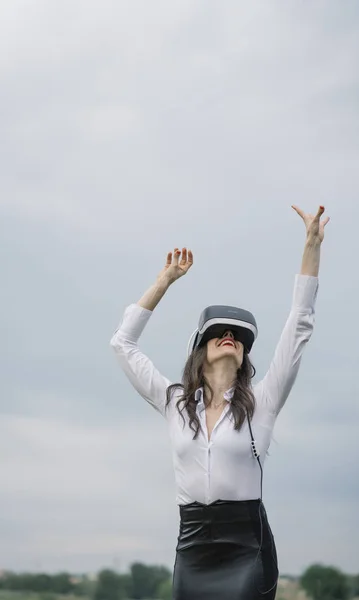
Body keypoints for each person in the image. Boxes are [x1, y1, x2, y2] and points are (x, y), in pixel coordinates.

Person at [110, 205, 329, 600]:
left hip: (247, 546)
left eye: (237, 337)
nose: (229, 336)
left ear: (245, 354)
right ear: (200, 349)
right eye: (219, 332)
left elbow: (299, 323)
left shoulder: (264, 400)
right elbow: (122, 344)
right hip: (191, 545)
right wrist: (165, 280)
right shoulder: (175, 403)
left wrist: (311, 248)